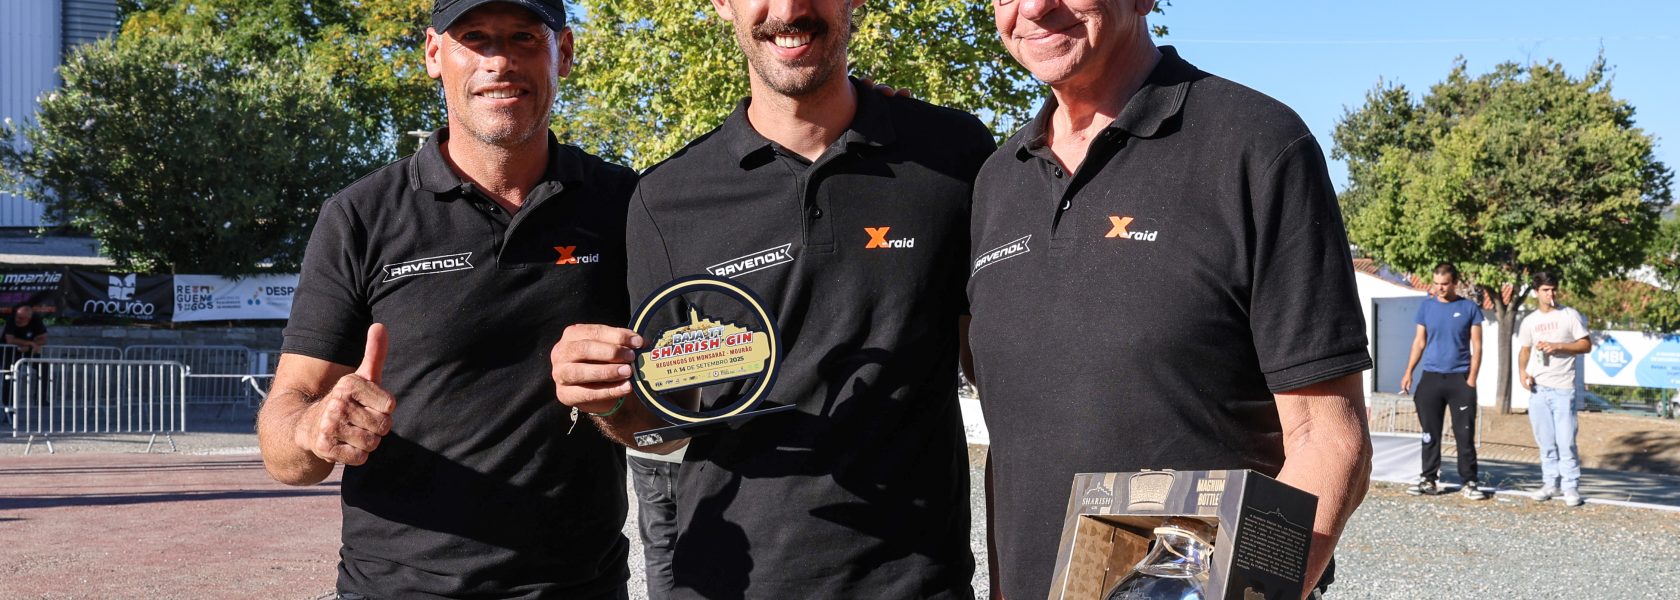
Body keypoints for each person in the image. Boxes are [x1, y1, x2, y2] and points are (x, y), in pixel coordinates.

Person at [549, 0, 995, 596]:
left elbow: (996, 367)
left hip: (918, 583)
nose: (788, 9)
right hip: (729, 583)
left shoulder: (953, 153)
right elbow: (664, 429)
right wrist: (606, 402)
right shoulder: (666, 198)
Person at [969, 1, 1374, 598]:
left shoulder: (1257, 143)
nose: (1034, 8)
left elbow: (1329, 438)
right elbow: (1014, 446)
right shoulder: (997, 179)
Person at [255, 1, 640, 597]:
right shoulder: (360, 216)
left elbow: (670, 424)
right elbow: (284, 449)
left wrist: (616, 404)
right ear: (435, 54)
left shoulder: (627, 205)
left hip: (580, 586)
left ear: (563, 52)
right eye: (475, 38)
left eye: (524, 38)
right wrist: (313, 428)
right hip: (395, 588)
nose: (499, 62)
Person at [1398, 263, 1487, 500]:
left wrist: (1472, 378)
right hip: (1431, 377)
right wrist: (1408, 371)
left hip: (1460, 379)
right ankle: (1428, 478)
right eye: (1436, 284)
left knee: (1464, 434)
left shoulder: (1469, 308)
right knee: (1430, 433)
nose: (1440, 288)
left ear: (1455, 283)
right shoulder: (1426, 307)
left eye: (1445, 284)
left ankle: (1469, 481)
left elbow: (1477, 346)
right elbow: (1419, 342)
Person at [1516, 271, 1593, 508]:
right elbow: (1525, 349)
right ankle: (1550, 483)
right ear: (1536, 292)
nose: (1551, 294)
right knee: (1545, 442)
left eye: (1553, 289)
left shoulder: (1569, 315)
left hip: (1563, 389)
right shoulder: (1530, 321)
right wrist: (1522, 372)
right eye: (1545, 290)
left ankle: (1571, 487)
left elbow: (1586, 344)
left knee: (1566, 441)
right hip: (1539, 389)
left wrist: (1559, 346)